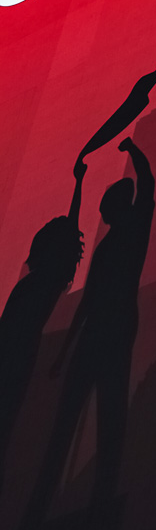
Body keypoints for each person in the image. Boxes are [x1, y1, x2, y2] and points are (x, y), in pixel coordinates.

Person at [24, 138, 154, 528]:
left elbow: (146, 182)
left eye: (107, 209)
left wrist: (133, 150)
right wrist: (65, 353)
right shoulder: (109, 245)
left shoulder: (135, 229)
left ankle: (100, 503)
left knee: (111, 413)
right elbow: (86, 302)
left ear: (118, 207)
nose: (105, 215)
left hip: (114, 332)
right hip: (96, 333)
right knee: (68, 417)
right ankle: (38, 509)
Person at [0, 161, 86, 496]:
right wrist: (78, 182)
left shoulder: (46, 281)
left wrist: (79, 186)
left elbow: (70, 227)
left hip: (12, 355)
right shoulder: (44, 281)